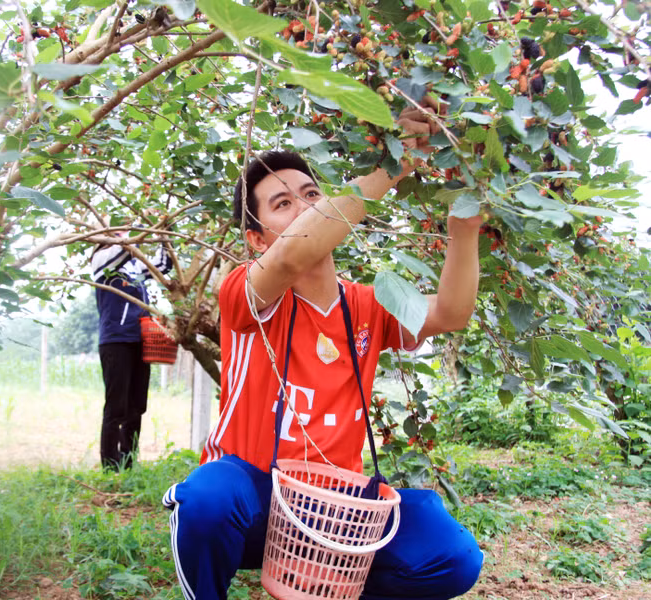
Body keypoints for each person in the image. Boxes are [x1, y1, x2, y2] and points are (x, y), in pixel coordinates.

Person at [162, 102, 484, 599]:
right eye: (282, 203)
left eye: (312, 194)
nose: (306, 206)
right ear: (255, 238)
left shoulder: (369, 304)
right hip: (254, 497)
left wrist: (464, 228)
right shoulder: (246, 294)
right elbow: (294, 252)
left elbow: (450, 313)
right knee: (208, 498)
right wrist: (394, 165)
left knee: (450, 556)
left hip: (334, 507)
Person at [91, 232, 172, 471]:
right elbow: (122, 250)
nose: (124, 236)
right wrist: (139, 231)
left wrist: (163, 234)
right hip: (116, 340)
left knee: (136, 405)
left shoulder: (135, 265)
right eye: (117, 233)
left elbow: (163, 266)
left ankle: (128, 461)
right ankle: (109, 464)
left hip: (140, 340)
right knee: (116, 405)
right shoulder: (102, 263)